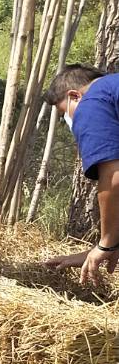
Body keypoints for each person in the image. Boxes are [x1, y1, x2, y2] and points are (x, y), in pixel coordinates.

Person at [40, 65, 119, 284]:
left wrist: (106, 243)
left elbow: (114, 177)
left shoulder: (92, 101)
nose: (68, 119)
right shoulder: (113, 90)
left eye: (64, 113)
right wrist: (97, 250)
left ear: (74, 96)